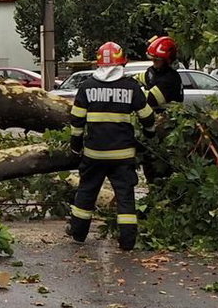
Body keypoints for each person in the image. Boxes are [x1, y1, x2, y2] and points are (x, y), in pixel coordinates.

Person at [66, 40, 164, 251]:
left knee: (86, 192)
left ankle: (78, 234)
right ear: (122, 63)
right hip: (122, 155)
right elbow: (147, 117)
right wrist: (149, 135)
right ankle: (127, 242)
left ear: (99, 63)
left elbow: (76, 121)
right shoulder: (131, 87)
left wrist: (75, 146)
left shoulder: (87, 87)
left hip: (94, 154)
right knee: (125, 197)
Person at [139, 35, 186, 179]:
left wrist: (132, 93)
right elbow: (138, 79)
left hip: (167, 126)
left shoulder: (170, 79)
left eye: (157, 60)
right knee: (148, 162)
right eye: (152, 59)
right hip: (156, 124)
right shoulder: (153, 72)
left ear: (167, 61)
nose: (153, 63)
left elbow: (150, 100)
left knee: (159, 165)